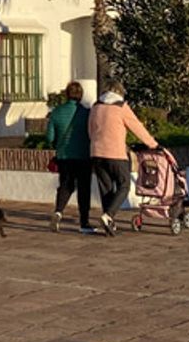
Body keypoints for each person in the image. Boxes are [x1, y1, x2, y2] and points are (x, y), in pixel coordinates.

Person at [87, 84, 159, 236]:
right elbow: (136, 127)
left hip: (97, 153)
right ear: (120, 93)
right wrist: (153, 144)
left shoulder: (96, 106)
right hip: (116, 154)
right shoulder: (121, 107)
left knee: (105, 188)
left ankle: (109, 222)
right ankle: (108, 215)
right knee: (124, 184)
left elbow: (90, 130)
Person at [43, 82, 96, 234]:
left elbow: (49, 137)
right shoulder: (87, 113)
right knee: (84, 189)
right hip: (84, 156)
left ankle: (58, 211)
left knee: (66, 185)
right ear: (81, 95)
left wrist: (55, 144)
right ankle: (84, 222)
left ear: (66, 94)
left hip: (64, 156)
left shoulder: (56, 112)